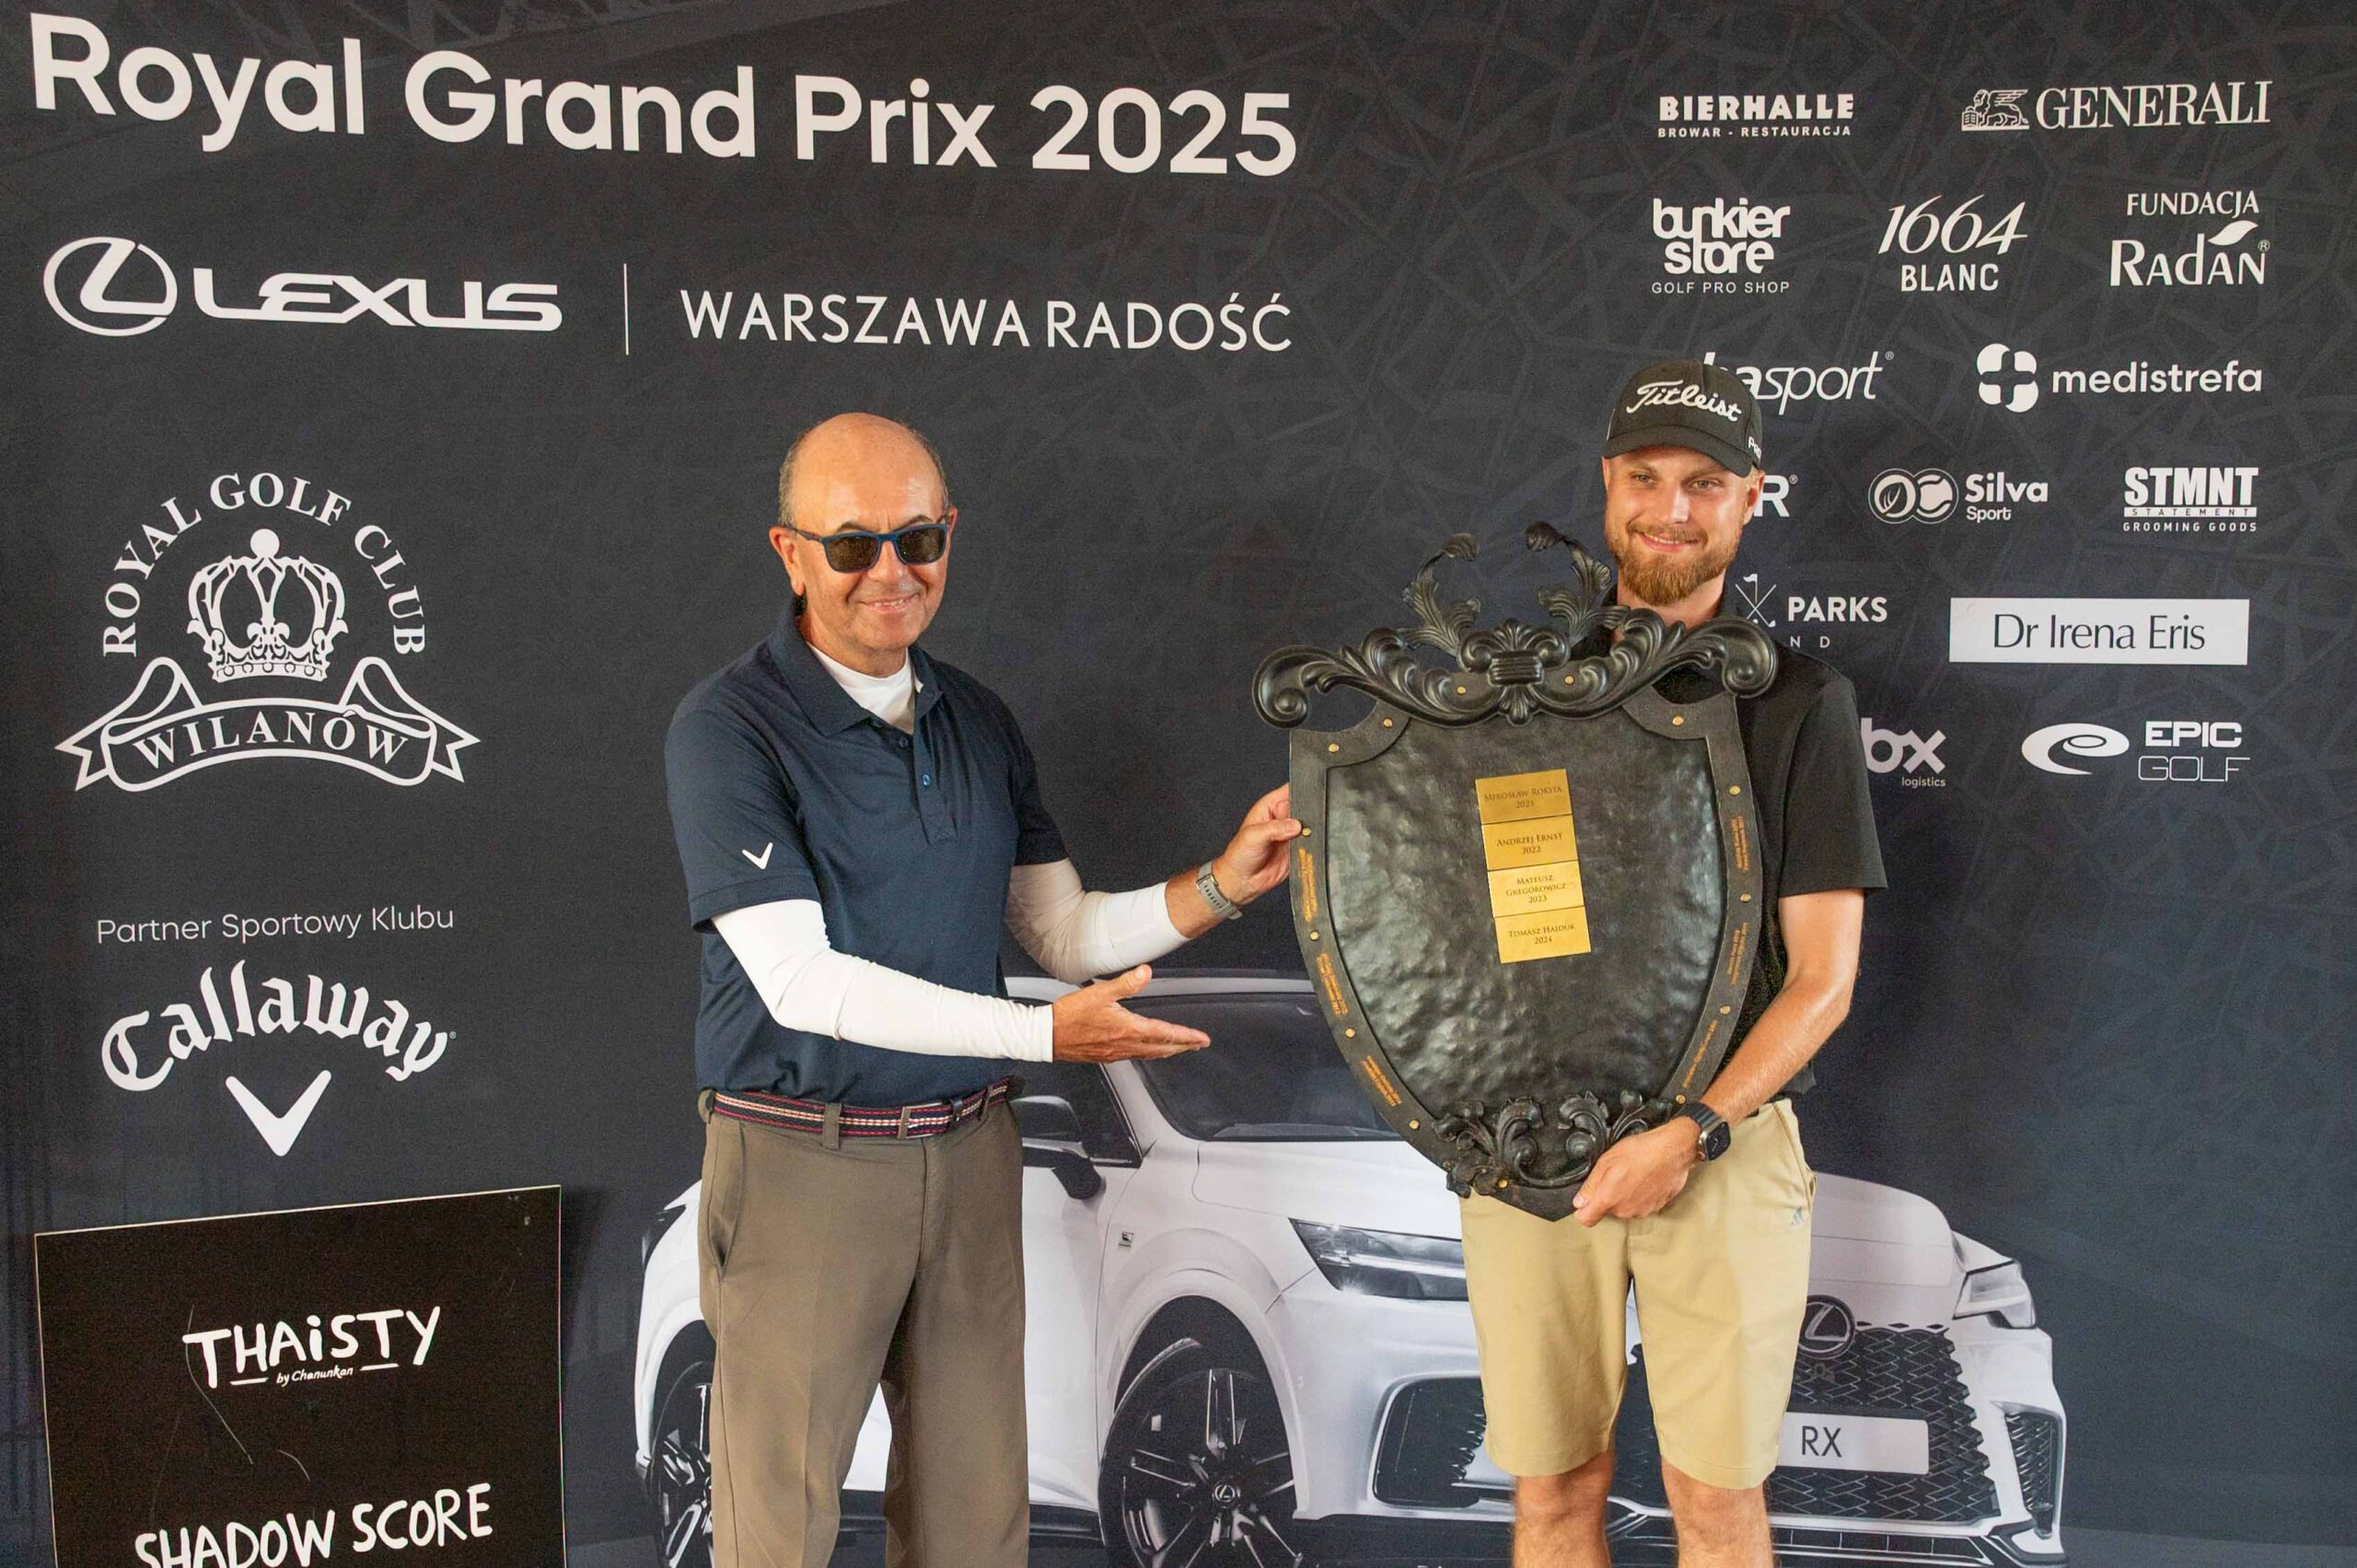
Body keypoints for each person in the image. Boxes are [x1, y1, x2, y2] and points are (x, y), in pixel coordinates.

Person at [662, 412, 1300, 1568]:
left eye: (917, 538)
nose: (890, 571)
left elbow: (1062, 930)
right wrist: (1042, 1035)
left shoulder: (978, 718)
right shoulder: (729, 726)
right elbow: (800, 982)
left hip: (966, 1152)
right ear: (790, 553)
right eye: (851, 544)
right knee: (776, 1535)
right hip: (803, 1159)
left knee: (973, 1527)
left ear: (948, 533)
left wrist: (1219, 883)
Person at [1458, 361, 1886, 1568]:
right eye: (1645, 477)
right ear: (1608, 485)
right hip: (1532, 1143)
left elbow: (1823, 978)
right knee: (1551, 1491)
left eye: (1703, 483)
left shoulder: (1800, 701)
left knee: (1716, 1502)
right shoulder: (1522, 693)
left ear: (1750, 497)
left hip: (1726, 1147)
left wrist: (1690, 1129)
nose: (1670, 509)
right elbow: (1493, 933)